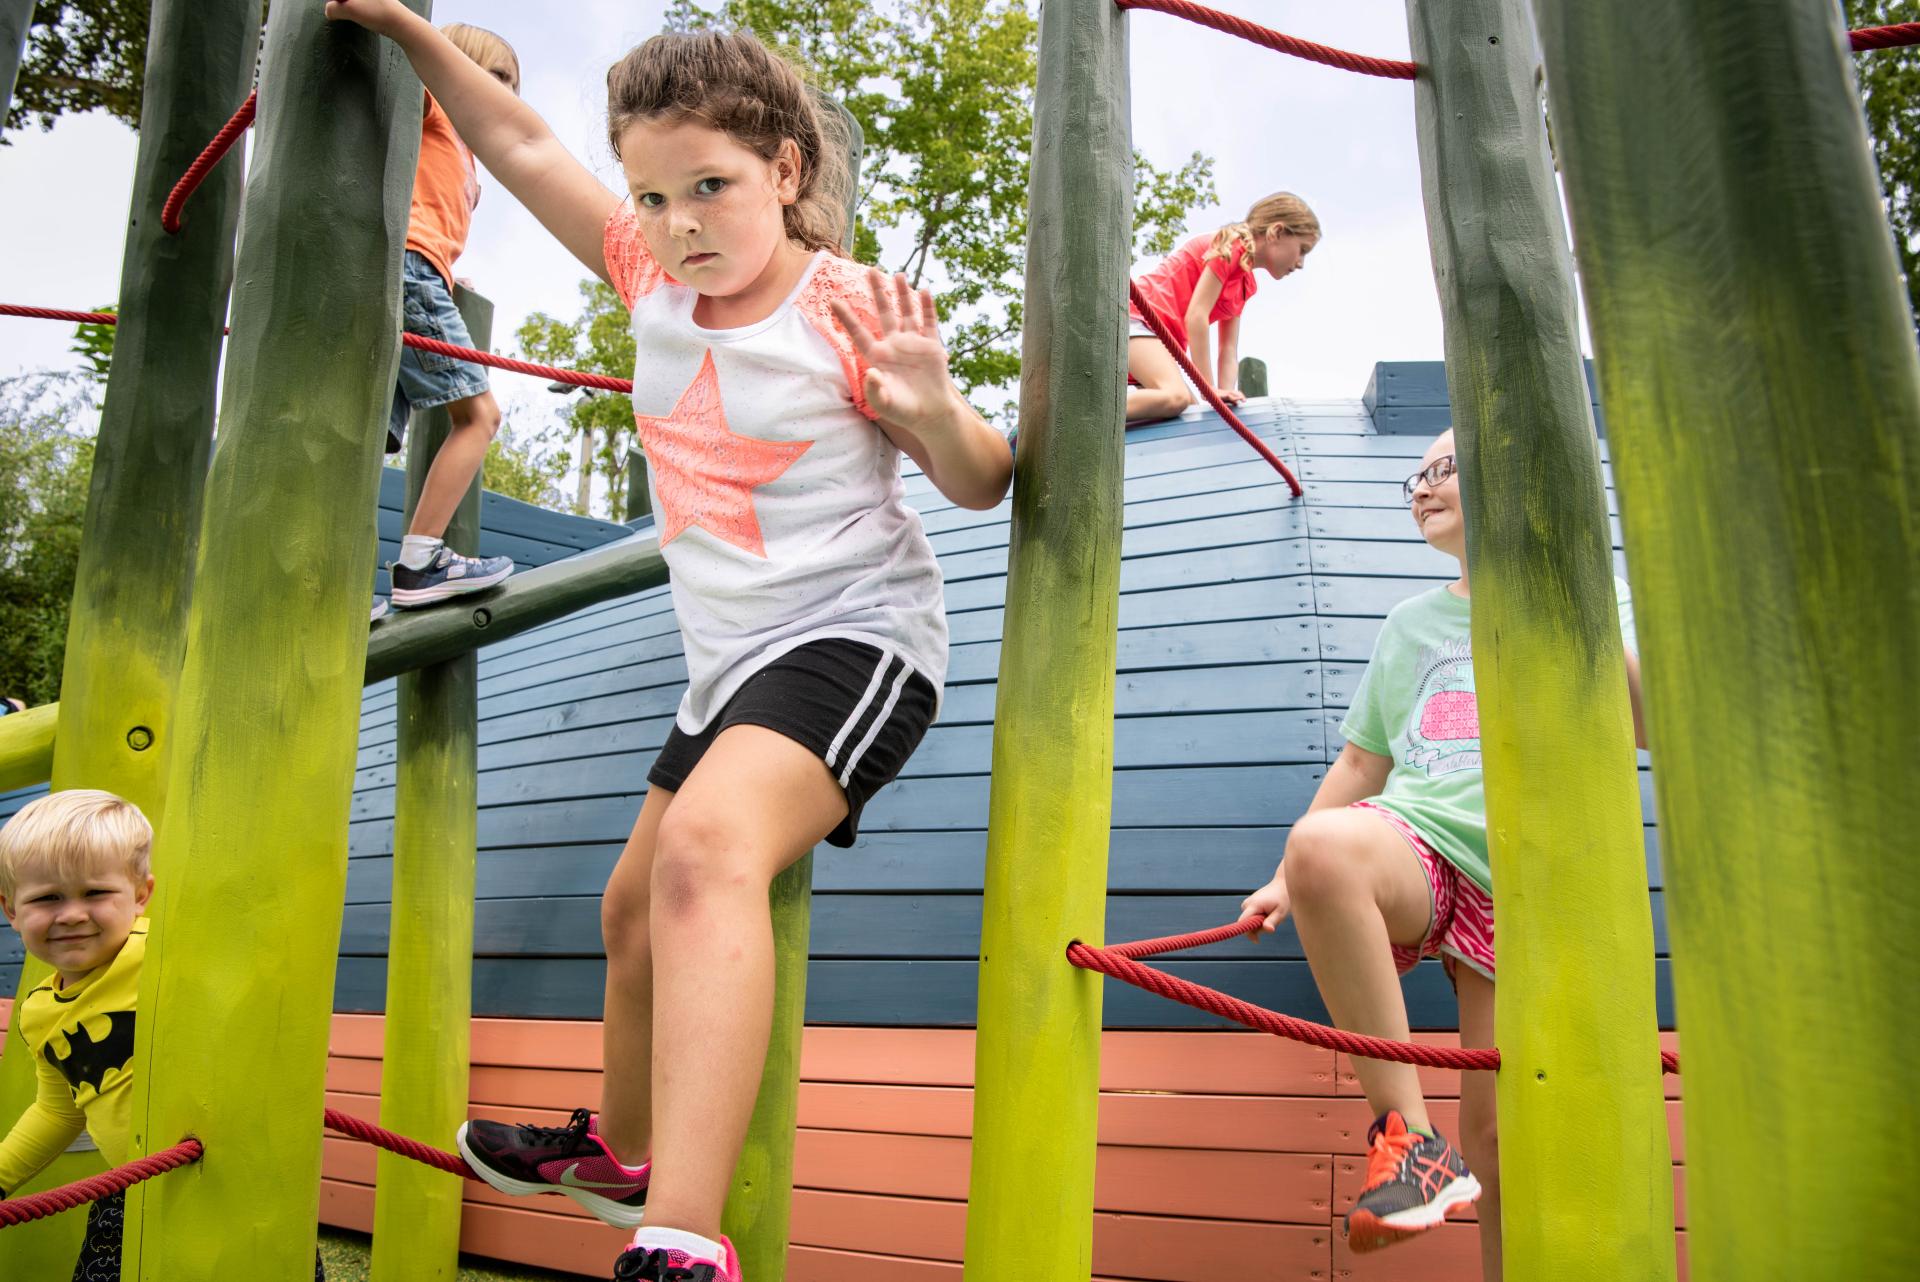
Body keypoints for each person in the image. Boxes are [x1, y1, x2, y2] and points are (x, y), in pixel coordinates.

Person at [322, 6, 1013, 1280]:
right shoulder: (649, 275)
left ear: (785, 174)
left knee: (704, 854)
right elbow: (520, 142)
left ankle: (680, 1231)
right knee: (630, 907)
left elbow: (978, 481)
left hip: (857, 640)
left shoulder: (851, 306)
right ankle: (624, 1150)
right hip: (730, 659)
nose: (682, 222)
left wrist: (934, 408)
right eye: (654, 195)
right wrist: (406, 29)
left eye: (712, 187)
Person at [1239, 429, 1644, 1279]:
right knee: (1322, 849)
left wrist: (1573, 606)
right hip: (1425, 846)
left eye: (1440, 471)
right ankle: (1408, 1141)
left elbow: (1648, 724)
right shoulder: (1412, 624)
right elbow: (1361, 763)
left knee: (1498, 1137)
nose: (1420, 490)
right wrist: (1285, 877)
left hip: (1534, 881)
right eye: (1412, 479)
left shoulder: (1590, 592)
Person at [0, 792, 325, 1280]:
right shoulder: (39, 1013)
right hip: (131, 1188)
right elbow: (58, 1109)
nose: (70, 914)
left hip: (235, 1179)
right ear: (10, 910)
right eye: (47, 897)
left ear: (141, 895)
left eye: (94, 893)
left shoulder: (167, 952)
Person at [371, 21, 523, 623]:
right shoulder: (432, 109)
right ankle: (420, 562)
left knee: (374, 438)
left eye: (509, 82)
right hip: (407, 268)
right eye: (485, 72)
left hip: (421, 273)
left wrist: (451, 278)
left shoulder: (469, 163)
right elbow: (412, 58)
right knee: (480, 416)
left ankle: (338, 581)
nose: (498, 89)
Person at [1126, 193, 1320, 424]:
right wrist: (1208, 388)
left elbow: (1227, 350)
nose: (1301, 263)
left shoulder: (1246, 285)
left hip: (1158, 341)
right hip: (1138, 321)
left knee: (1189, 416)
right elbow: (1196, 316)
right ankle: (1081, 418)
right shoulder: (1230, 247)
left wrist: (1224, 396)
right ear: (1276, 232)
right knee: (1175, 397)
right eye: (1303, 250)